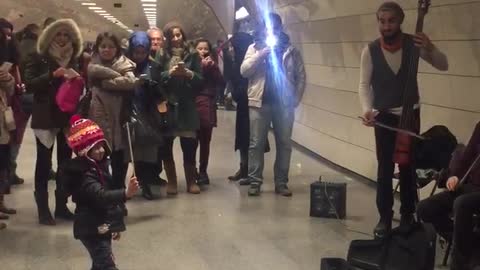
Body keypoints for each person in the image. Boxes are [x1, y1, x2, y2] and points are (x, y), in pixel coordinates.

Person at [358, 1, 448, 238]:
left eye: (391, 21)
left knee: (408, 167)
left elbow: (443, 65)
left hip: (410, 113)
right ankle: (384, 218)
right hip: (385, 116)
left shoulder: (413, 43)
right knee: (384, 168)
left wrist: (430, 47)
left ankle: (408, 213)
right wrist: (368, 109)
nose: (386, 26)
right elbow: (364, 85)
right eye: (382, 21)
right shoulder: (370, 50)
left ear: (400, 21)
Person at [24, 18, 84, 225]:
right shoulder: (38, 56)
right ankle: (43, 209)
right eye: (58, 34)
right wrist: (52, 75)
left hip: (67, 117)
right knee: (43, 162)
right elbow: (29, 84)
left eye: (66, 35)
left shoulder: (75, 58)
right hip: (45, 116)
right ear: (50, 35)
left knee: (65, 163)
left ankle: (61, 206)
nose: (62, 38)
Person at [240, 13, 306, 197]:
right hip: (259, 102)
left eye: (276, 28)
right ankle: (255, 182)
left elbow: (301, 77)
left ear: (280, 29)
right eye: (269, 28)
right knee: (256, 144)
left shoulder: (291, 51)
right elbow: (244, 71)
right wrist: (261, 54)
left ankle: (281, 182)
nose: (272, 31)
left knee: (284, 143)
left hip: (283, 104)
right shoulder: (253, 48)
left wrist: (295, 99)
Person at [62, 115, 139, 270]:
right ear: (84, 151)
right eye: (94, 148)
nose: (101, 150)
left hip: (100, 225)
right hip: (91, 228)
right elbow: (101, 196)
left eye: (101, 145)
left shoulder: (100, 166)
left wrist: (114, 226)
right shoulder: (84, 175)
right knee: (107, 265)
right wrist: (126, 193)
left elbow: (106, 201)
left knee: (100, 265)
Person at [417, 122, 480, 270]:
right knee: (425, 208)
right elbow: (468, 156)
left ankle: (459, 264)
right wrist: (455, 176)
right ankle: (472, 245)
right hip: (472, 186)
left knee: (462, 203)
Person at [88, 32, 137, 215]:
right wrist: (117, 76)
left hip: (120, 119)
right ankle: (102, 200)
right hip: (98, 118)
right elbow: (94, 72)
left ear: (117, 49)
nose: (106, 50)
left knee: (119, 164)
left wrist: (107, 83)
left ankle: (118, 199)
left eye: (110, 46)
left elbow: (131, 82)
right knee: (99, 162)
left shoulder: (125, 63)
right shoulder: (93, 65)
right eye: (103, 46)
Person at [157, 22, 203, 195]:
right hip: (169, 105)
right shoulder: (162, 54)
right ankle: (172, 182)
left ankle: (191, 180)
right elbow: (157, 77)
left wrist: (188, 73)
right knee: (166, 146)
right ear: (167, 38)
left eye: (178, 35)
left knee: (189, 145)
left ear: (183, 35)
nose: (176, 39)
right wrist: (170, 73)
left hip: (187, 106)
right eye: (172, 36)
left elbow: (200, 80)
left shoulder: (193, 55)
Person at [127, 31, 165, 200]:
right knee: (133, 151)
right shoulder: (125, 66)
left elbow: (161, 93)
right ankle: (137, 182)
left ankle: (147, 181)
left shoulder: (154, 67)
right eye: (136, 52)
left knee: (149, 150)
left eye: (143, 52)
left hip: (149, 113)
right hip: (129, 112)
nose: (139, 56)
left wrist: (153, 86)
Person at [193, 38, 225, 185]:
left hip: (208, 106)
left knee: (205, 141)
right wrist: (201, 67)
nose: (203, 51)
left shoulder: (213, 64)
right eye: (200, 48)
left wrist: (212, 68)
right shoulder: (191, 63)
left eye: (205, 49)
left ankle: (203, 171)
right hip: (192, 105)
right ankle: (192, 171)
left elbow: (221, 82)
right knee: (191, 142)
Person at [0, 30, 17, 229]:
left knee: (2, 165)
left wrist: (7, 79)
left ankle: (1, 203)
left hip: (3, 122)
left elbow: (11, 90)